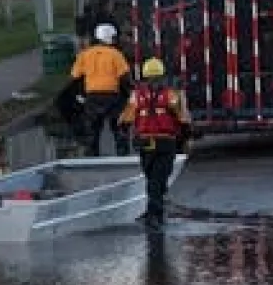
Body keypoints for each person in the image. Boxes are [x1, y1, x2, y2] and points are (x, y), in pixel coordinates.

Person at [118, 57, 191, 232]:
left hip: (146, 142)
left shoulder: (137, 95)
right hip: (165, 142)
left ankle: (154, 211)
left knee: (152, 177)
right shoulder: (171, 95)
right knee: (158, 178)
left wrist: (124, 131)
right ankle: (154, 214)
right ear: (162, 76)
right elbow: (182, 118)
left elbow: (125, 118)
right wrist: (186, 135)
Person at [70, 23, 132, 156]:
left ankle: (92, 157)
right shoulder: (116, 55)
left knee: (92, 130)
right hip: (112, 97)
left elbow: (75, 77)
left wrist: (80, 95)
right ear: (109, 37)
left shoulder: (84, 55)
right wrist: (129, 94)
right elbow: (125, 78)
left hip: (92, 97)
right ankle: (122, 154)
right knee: (119, 127)